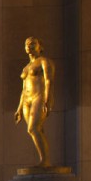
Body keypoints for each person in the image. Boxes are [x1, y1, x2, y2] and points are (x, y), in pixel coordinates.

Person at [15, 36, 55, 167]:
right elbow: (23, 89)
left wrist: (47, 99)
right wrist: (19, 108)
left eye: (32, 44)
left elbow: (49, 81)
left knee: (32, 128)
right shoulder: (26, 67)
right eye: (27, 44)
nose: (29, 46)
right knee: (37, 129)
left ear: (40, 46)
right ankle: (43, 159)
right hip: (26, 100)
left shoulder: (44, 62)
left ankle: (45, 161)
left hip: (39, 97)